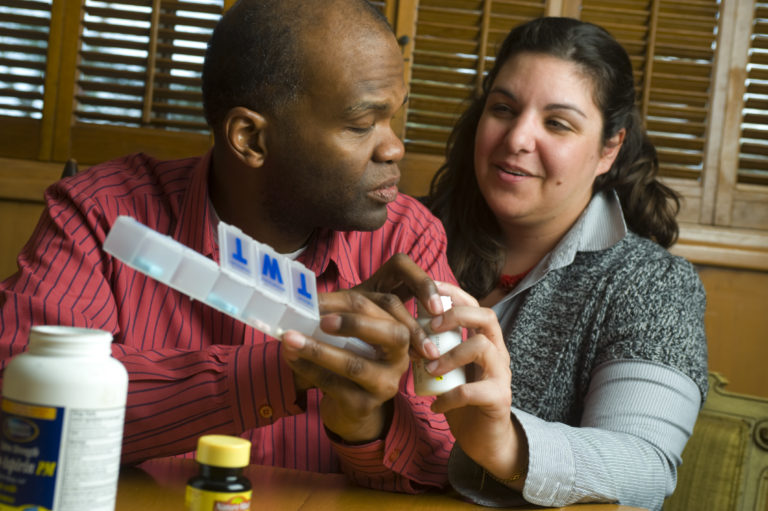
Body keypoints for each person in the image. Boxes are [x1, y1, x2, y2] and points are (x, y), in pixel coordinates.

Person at [0, 0, 456, 493]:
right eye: (362, 124)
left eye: (393, 117)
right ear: (251, 139)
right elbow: (18, 408)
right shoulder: (102, 217)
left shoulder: (407, 240)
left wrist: (368, 424)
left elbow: (451, 463)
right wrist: (278, 371)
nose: (393, 148)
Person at [421, 17, 708, 510]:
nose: (517, 138)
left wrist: (505, 445)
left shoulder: (652, 284)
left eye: (557, 123)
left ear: (609, 149)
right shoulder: (412, 236)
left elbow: (645, 467)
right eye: (503, 109)